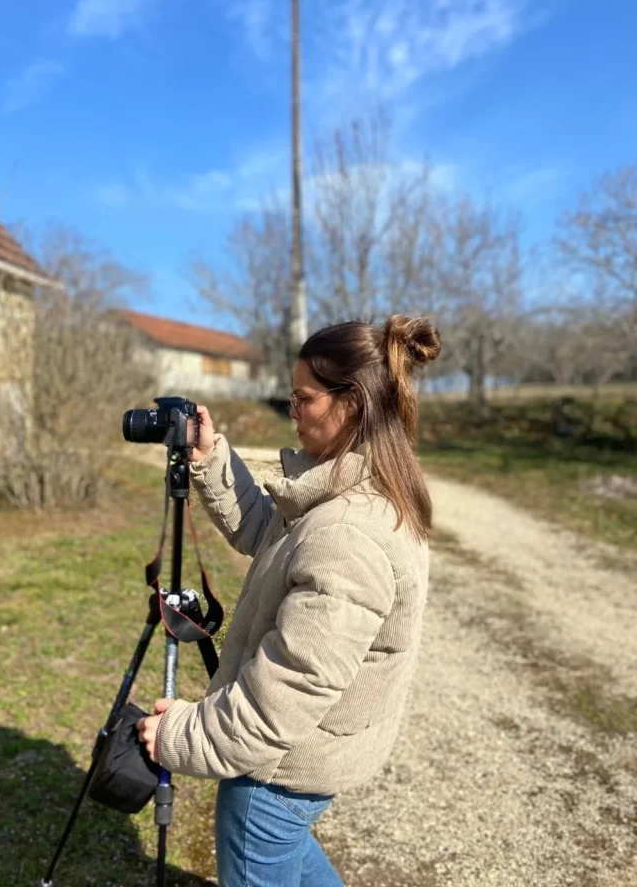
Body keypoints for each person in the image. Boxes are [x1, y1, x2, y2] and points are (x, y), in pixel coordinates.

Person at [138, 316, 442, 887]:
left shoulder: (348, 531)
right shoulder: (355, 489)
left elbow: (292, 683)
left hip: (277, 773)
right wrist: (211, 458)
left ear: (350, 404)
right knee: (288, 853)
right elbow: (272, 538)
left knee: (268, 840)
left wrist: (183, 734)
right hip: (304, 755)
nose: (292, 410)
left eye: (303, 398)